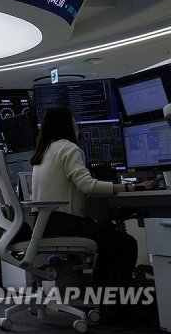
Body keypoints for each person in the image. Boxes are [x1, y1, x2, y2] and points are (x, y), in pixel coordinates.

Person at [31, 107, 155, 322]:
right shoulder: (69, 148)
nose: (77, 128)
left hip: (46, 224)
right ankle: (117, 308)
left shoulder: (44, 151)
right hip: (66, 223)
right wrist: (130, 187)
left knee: (108, 238)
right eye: (74, 123)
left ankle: (104, 303)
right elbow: (87, 185)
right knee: (126, 244)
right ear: (66, 126)